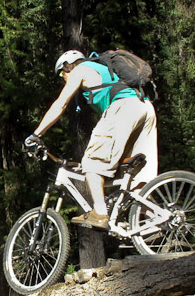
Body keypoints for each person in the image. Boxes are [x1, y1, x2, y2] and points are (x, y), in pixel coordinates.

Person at [25, 49, 158, 231]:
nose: (63, 78)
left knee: (92, 163)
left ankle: (100, 213)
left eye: (62, 74)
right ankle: (156, 221)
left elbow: (60, 104)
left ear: (67, 66)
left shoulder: (80, 70)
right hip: (145, 108)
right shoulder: (104, 70)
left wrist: (36, 134)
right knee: (136, 179)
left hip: (124, 107)